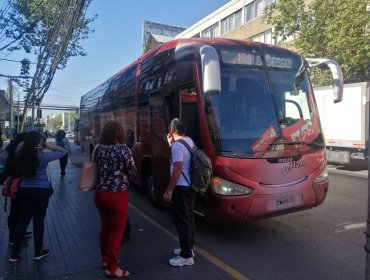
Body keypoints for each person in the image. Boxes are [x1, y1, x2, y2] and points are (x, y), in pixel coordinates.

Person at [9, 131, 68, 262]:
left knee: (22, 221)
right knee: (38, 221)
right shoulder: (43, 156)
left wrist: (26, 144)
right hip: (42, 190)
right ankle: (38, 251)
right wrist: (46, 145)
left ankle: (14, 254)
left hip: (24, 190)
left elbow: (19, 147)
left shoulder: (20, 155)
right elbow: (63, 151)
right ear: (39, 143)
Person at [93, 121, 136, 278]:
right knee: (117, 232)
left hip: (100, 194)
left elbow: (95, 166)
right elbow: (132, 170)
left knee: (105, 228)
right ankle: (112, 267)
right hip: (117, 195)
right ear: (119, 133)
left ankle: (105, 260)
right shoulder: (123, 149)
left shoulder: (99, 148)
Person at [163, 118, 196, 267]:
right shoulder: (189, 141)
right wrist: (171, 145)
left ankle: (186, 256)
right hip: (190, 186)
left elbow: (177, 168)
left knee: (182, 221)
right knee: (189, 219)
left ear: (171, 131)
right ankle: (188, 248)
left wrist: (169, 190)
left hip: (181, 188)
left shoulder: (177, 146)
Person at [2, 132, 31, 245]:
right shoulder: (20, 151)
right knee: (18, 212)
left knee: (15, 210)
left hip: (10, 183)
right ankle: (15, 237)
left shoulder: (9, 149)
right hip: (19, 184)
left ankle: (16, 234)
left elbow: (2, 164)